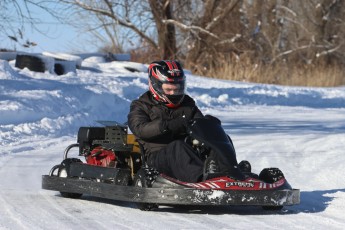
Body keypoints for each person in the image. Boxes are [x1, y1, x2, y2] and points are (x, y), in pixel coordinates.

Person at [127, 60, 245, 183]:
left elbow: (200, 124)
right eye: (169, 89)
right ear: (156, 86)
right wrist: (167, 126)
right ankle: (201, 180)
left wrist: (210, 124)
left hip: (189, 153)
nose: (174, 93)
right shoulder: (141, 105)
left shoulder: (187, 104)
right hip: (158, 158)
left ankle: (231, 172)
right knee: (177, 147)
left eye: (177, 89)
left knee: (217, 140)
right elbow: (140, 129)